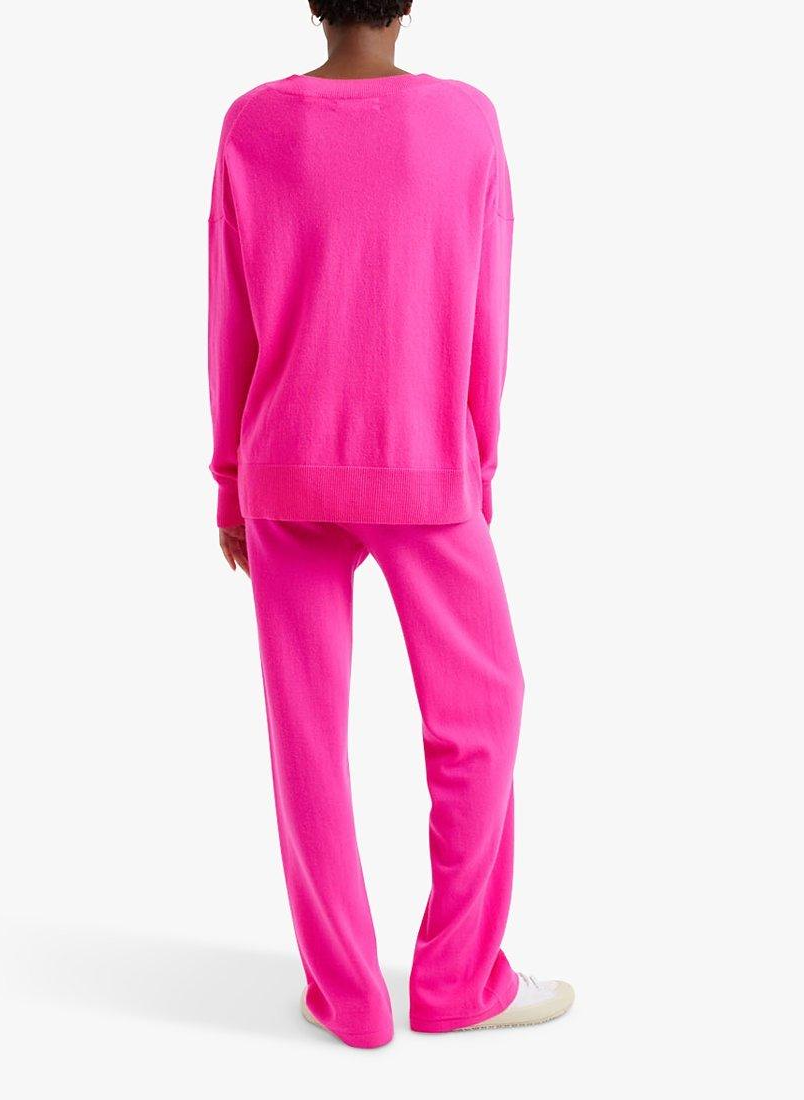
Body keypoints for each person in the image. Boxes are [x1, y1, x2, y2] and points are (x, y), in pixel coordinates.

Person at [207, 0, 573, 1048]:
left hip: (284, 461)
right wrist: (478, 463)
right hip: (422, 465)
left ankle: (349, 997)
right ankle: (456, 979)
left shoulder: (251, 123)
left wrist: (231, 477)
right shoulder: (464, 120)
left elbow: (228, 306)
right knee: (483, 713)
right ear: (407, 3)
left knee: (306, 737)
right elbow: (486, 303)